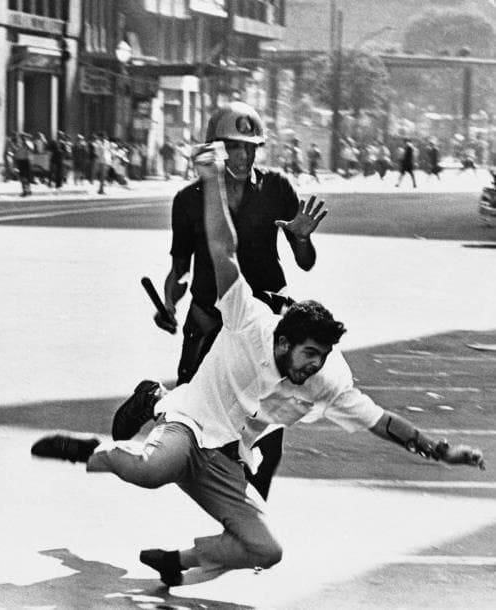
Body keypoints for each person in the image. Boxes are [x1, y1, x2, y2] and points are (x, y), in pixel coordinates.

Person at [31, 140, 485, 587]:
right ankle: (91, 449)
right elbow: (221, 250)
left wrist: (440, 450)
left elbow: (381, 422)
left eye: (322, 358)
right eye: (309, 355)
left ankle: (178, 560)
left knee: (267, 549)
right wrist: (211, 180)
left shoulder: (327, 379)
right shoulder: (250, 321)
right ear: (283, 342)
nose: (313, 368)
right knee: (155, 470)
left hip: (228, 454)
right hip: (191, 426)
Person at [116, 101, 322, 500]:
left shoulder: (277, 188)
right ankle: (152, 398)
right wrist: (170, 303)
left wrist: (301, 236)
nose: (243, 157)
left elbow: (306, 262)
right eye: (233, 147)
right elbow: (179, 268)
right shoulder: (190, 199)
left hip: (264, 321)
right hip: (211, 317)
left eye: (250, 148)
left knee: (268, 430)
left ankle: (252, 517)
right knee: (192, 418)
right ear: (215, 149)